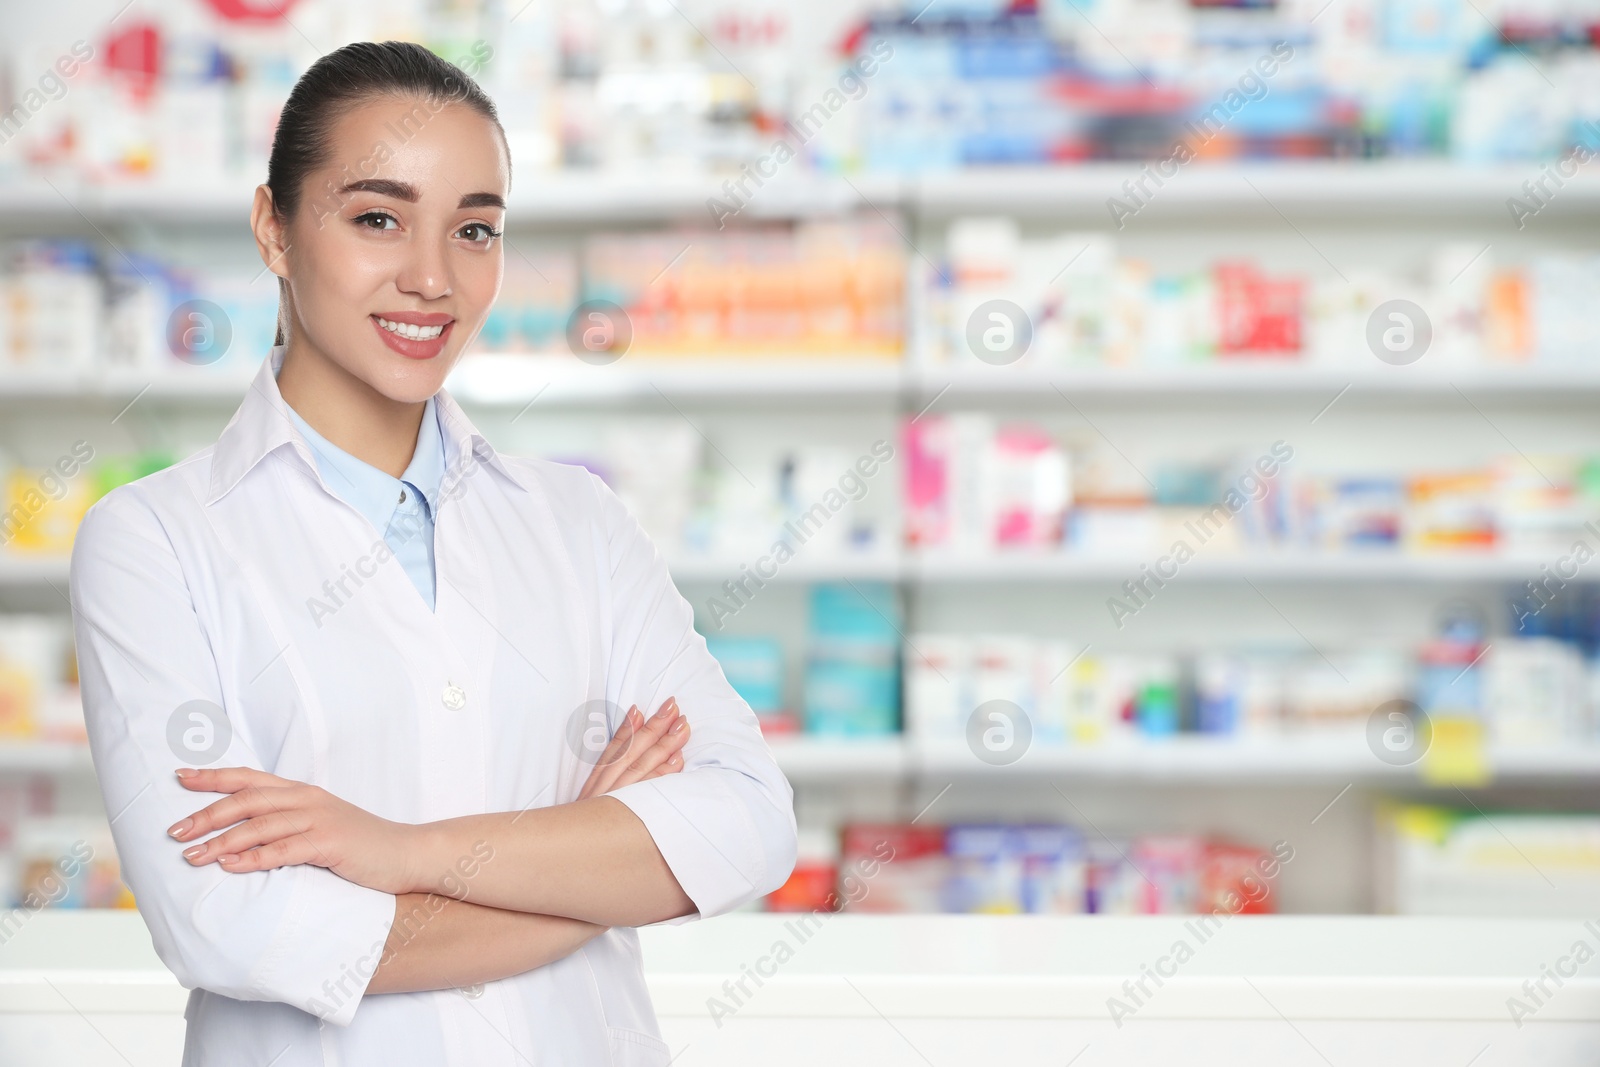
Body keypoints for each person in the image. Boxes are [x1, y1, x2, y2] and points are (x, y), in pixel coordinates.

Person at [67, 40, 796, 1067]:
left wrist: (403, 852)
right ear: (273, 228)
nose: (430, 276)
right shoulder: (155, 541)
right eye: (377, 217)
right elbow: (226, 922)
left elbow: (751, 823)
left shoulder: (577, 519)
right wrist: (593, 855)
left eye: (475, 229)